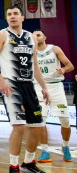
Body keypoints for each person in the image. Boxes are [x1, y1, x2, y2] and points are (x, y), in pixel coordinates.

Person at [0, 6, 49, 173]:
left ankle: (28, 162)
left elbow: (35, 64)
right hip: (12, 85)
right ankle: (13, 166)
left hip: (29, 84)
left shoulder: (30, 37)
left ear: (22, 17)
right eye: (9, 14)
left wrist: (44, 87)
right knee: (19, 126)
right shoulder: (1, 35)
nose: (12, 17)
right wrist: (0, 80)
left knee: (37, 126)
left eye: (15, 14)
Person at [32, 29, 73, 163]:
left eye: (38, 34)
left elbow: (70, 66)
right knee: (41, 121)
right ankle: (45, 151)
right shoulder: (30, 53)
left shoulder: (55, 49)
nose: (36, 37)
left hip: (56, 87)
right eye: (34, 35)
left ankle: (65, 147)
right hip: (39, 87)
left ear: (45, 37)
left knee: (65, 120)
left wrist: (63, 70)